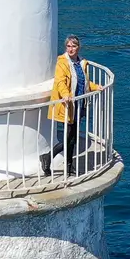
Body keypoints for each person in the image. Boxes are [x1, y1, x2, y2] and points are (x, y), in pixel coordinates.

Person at [43, 35, 101, 175]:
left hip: (79, 104)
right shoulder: (62, 62)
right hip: (69, 106)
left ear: (78, 47)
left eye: (73, 46)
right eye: (68, 46)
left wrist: (95, 86)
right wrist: (65, 95)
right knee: (68, 137)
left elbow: (83, 82)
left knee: (72, 137)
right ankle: (47, 157)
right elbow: (60, 81)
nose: (71, 49)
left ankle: (69, 166)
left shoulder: (82, 63)